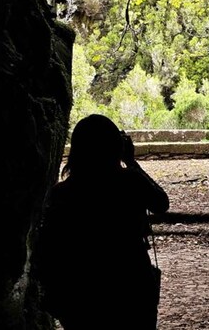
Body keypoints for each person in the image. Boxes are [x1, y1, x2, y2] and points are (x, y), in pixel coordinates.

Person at [35, 114, 170, 329]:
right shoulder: (130, 182)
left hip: (81, 293)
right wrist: (132, 162)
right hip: (131, 285)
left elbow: (48, 249)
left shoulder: (62, 193)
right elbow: (161, 203)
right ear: (115, 147)